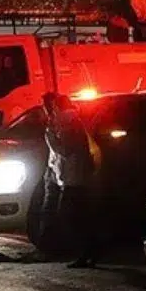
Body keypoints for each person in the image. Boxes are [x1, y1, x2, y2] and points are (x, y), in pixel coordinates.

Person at [42, 92, 103, 268]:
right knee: (79, 215)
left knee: (69, 215)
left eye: (53, 106)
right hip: (76, 176)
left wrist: (50, 138)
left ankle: (86, 251)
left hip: (73, 177)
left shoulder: (68, 123)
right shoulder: (73, 121)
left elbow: (66, 150)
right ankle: (89, 251)